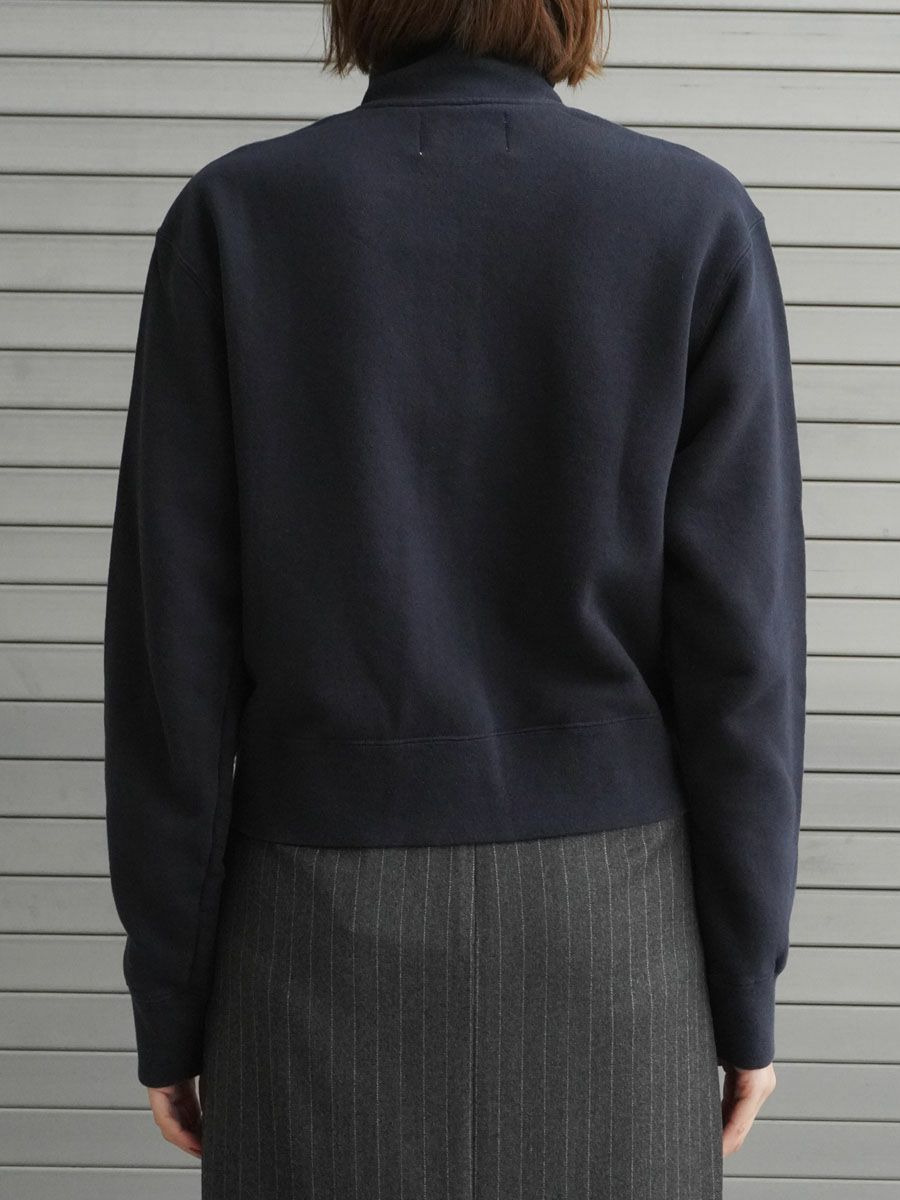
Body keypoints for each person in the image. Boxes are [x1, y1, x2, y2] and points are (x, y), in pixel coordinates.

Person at [103, 1, 807, 1196]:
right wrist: (744, 990)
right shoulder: (692, 218)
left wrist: (170, 999)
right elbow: (743, 662)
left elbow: (173, 662)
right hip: (614, 939)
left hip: (313, 929)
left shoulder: (237, 217)